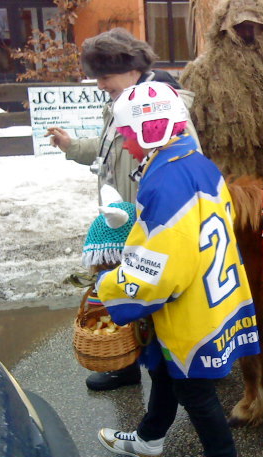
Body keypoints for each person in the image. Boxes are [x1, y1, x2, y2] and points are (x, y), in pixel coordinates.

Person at [95, 81, 259, 457]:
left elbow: (161, 271)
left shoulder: (165, 179)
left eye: (128, 134)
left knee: (194, 391)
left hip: (189, 308)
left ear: (151, 130)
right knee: (165, 369)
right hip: (212, 292)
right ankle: (149, 440)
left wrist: (110, 288)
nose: (125, 142)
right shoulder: (196, 162)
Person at [45, 28, 201, 392]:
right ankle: (126, 365)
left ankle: (172, 379)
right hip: (122, 224)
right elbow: (108, 151)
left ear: (132, 70)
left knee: (148, 302)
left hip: (147, 228)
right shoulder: (122, 105)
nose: (100, 84)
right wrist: (71, 146)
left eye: (105, 76)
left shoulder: (162, 109)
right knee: (123, 298)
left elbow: (188, 166)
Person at [180, 0, 263, 180]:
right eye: (240, 27)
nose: (248, 33)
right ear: (224, 30)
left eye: (253, 27)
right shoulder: (202, 71)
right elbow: (189, 126)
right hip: (223, 173)